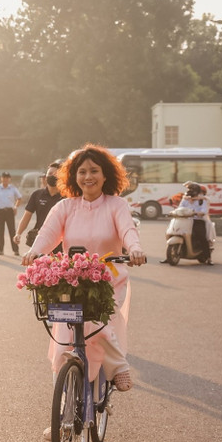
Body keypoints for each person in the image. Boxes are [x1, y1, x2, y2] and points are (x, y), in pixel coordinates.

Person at [23, 144, 146, 410]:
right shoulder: (65, 207)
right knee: (63, 345)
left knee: (95, 320)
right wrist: (34, 253)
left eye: (94, 171)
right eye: (82, 171)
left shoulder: (117, 205)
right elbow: (47, 235)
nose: (88, 176)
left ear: (106, 176)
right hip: (72, 281)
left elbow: (128, 232)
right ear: (73, 177)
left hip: (108, 279)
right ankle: (64, 414)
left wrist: (134, 249)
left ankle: (116, 365)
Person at [16, 162, 63, 252]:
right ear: (46, 176)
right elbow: (27, 215)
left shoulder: (66, 196)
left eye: (56, 174)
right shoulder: (37, 195)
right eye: (50, 174)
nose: (52, 176)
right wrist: (18, 233)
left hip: (60, 241)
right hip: (41, 239)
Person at [178, 182, 213, 264]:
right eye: (188, 189)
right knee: (175, 232)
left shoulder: (202, 200)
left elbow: (204, 211)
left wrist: (197, 213)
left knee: (201, 237)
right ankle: (169, 256)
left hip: (197, 220)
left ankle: (208, 258)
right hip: (185, 220)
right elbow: (180, 208)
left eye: (191, 190)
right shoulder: (185, 199)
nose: (189, 191)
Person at [0, 171, 22, 256]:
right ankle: (1, 250)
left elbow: (19, 198)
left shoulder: (13, 188)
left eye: (7, 178)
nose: (5, 179)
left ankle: (16, 250)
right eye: (4, 177)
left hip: (10, 211)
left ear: (9, 179)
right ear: (1, 178)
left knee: (12, 231)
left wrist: (15, 207)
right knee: (0, 232)